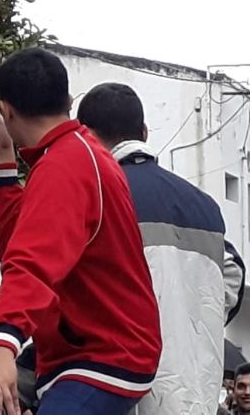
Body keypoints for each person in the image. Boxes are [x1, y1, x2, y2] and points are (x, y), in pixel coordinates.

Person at [0, 48, 161, 415]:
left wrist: (2, 343)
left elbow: (31, 261)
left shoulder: (66, 165)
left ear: (6, 109)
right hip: (95, 351)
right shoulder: (73, 156)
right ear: (68, 101)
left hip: (101, 355)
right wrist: (2, 160)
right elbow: (21, 244)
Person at [77, 82, 247, 415]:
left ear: (85, 136)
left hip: (122, 396)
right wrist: (192, 318)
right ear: (143, 132)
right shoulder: (204, 207)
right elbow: (233, 276)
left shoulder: (93, 198)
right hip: (194, 396)